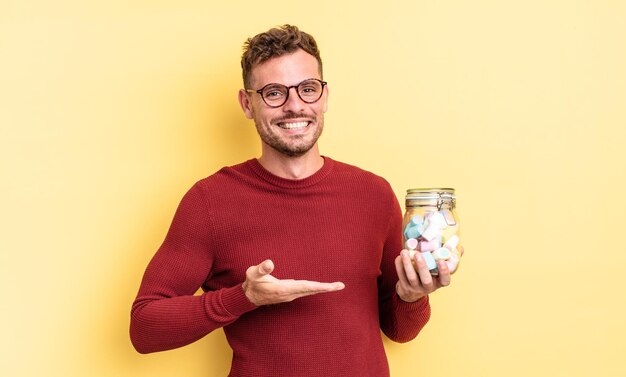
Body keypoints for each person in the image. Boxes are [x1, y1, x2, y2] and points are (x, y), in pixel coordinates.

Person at [130, 24, 454, 377]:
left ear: (325, 96)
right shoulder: (209, 202)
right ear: (247, 103)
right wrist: (245, 297)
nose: (295, 105)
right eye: (273, 93)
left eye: (308, 89)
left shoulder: (374, 194)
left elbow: (400, 331)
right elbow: (145, 329)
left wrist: (412, 296)